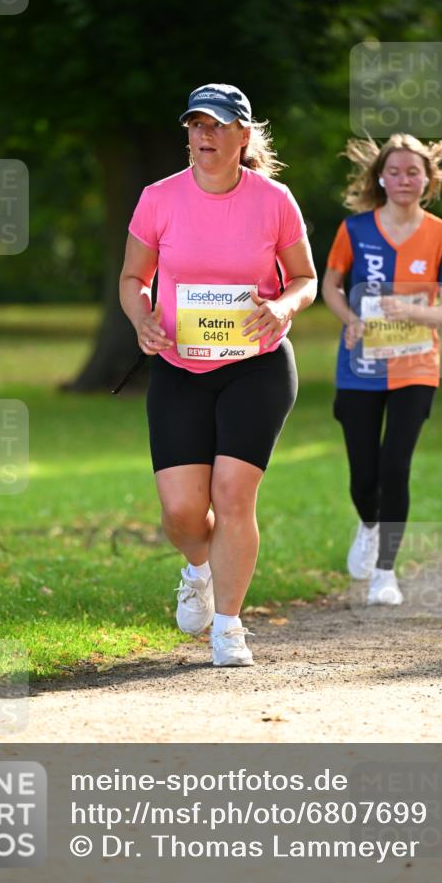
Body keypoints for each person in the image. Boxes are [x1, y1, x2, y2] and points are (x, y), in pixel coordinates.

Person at [119, 83, 317, 666]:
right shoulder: (159, 198)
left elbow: (304, 277)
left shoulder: (274, 200)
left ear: (244, 135)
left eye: (217, 125)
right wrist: (143, 318)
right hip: (181, 367)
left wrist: (282, 306)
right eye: (196, 125)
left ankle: (228, 628)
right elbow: (134, 279)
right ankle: (198, 569)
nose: (204, 135)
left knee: (233, 495)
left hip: (256, 364)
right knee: (183, 511)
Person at [322, 133, 442, 605]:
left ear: (428, 179)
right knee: (363, 476)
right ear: (380, 178)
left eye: (413, 171)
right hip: (360, 367)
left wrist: (409, 311)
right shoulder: (354, 230)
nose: (404, 179)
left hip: (416, 367)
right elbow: (331, 285)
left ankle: (385, 573)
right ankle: (368, 524)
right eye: (395, 171)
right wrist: (349, 320)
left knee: (395, 466)